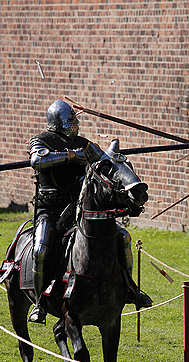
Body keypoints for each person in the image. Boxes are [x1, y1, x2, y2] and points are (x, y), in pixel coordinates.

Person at [28, 99, 152, 323]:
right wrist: (70, 156)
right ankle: (39, 303)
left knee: (122, 236)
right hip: (51, 209)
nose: (73, 124)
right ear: (56, 121)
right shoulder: (41, 140)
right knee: (40, 250)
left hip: (80, 208)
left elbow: (104, 160)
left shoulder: (84, 143)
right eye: (69, 120)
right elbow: (37, 160)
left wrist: (116, 159)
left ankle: (130, 289)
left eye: (74, 119)